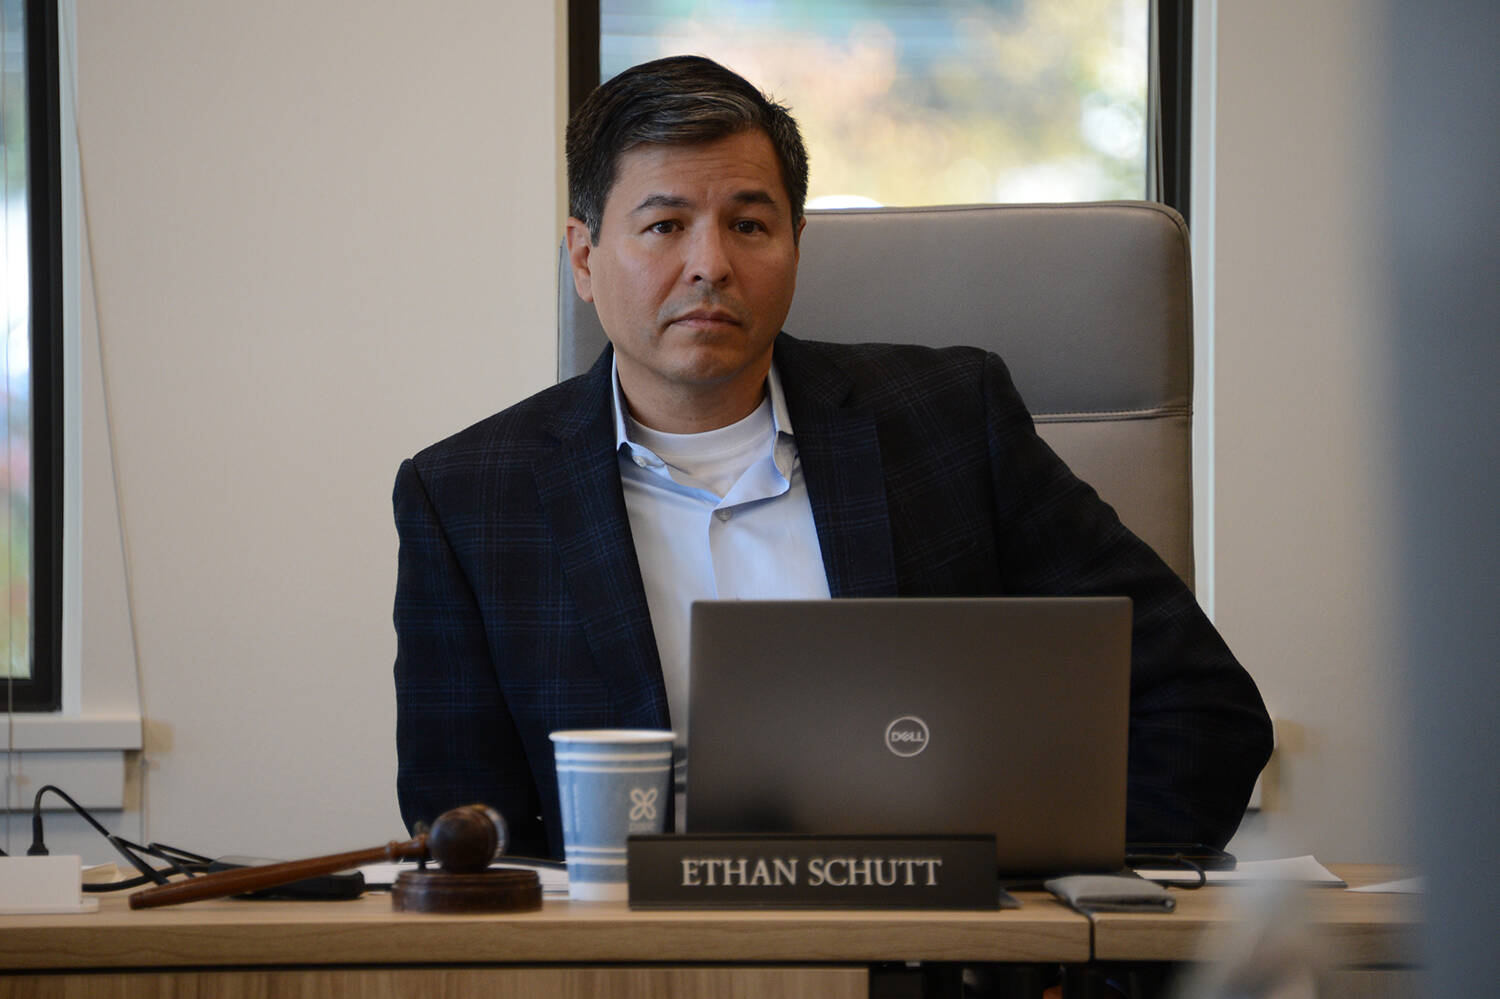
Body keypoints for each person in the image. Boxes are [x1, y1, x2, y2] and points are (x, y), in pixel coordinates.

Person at [393, 55, 1272, 859]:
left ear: (797, 246)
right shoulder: (469, 497)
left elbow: (1203, 709)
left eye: (749, 223)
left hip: (929, 961)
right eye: (664, 226)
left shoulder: (948, 426)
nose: (711, 264)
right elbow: (467, 827)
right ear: (584, 258)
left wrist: (1045, 923)